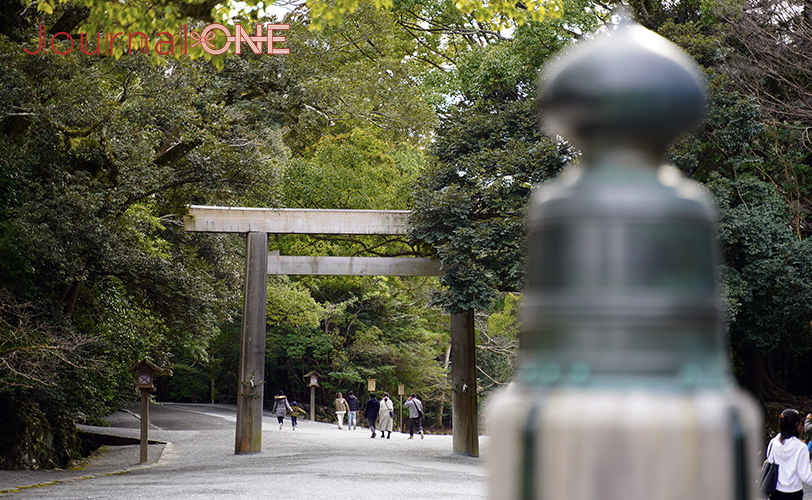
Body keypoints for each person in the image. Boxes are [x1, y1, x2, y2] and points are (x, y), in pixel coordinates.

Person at [765, 408, 812, 499]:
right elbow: (805, 476)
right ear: (797, 425)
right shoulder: (801, 447)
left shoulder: (774, 442)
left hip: (776, 490)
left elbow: (769, 460)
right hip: (794, 492)